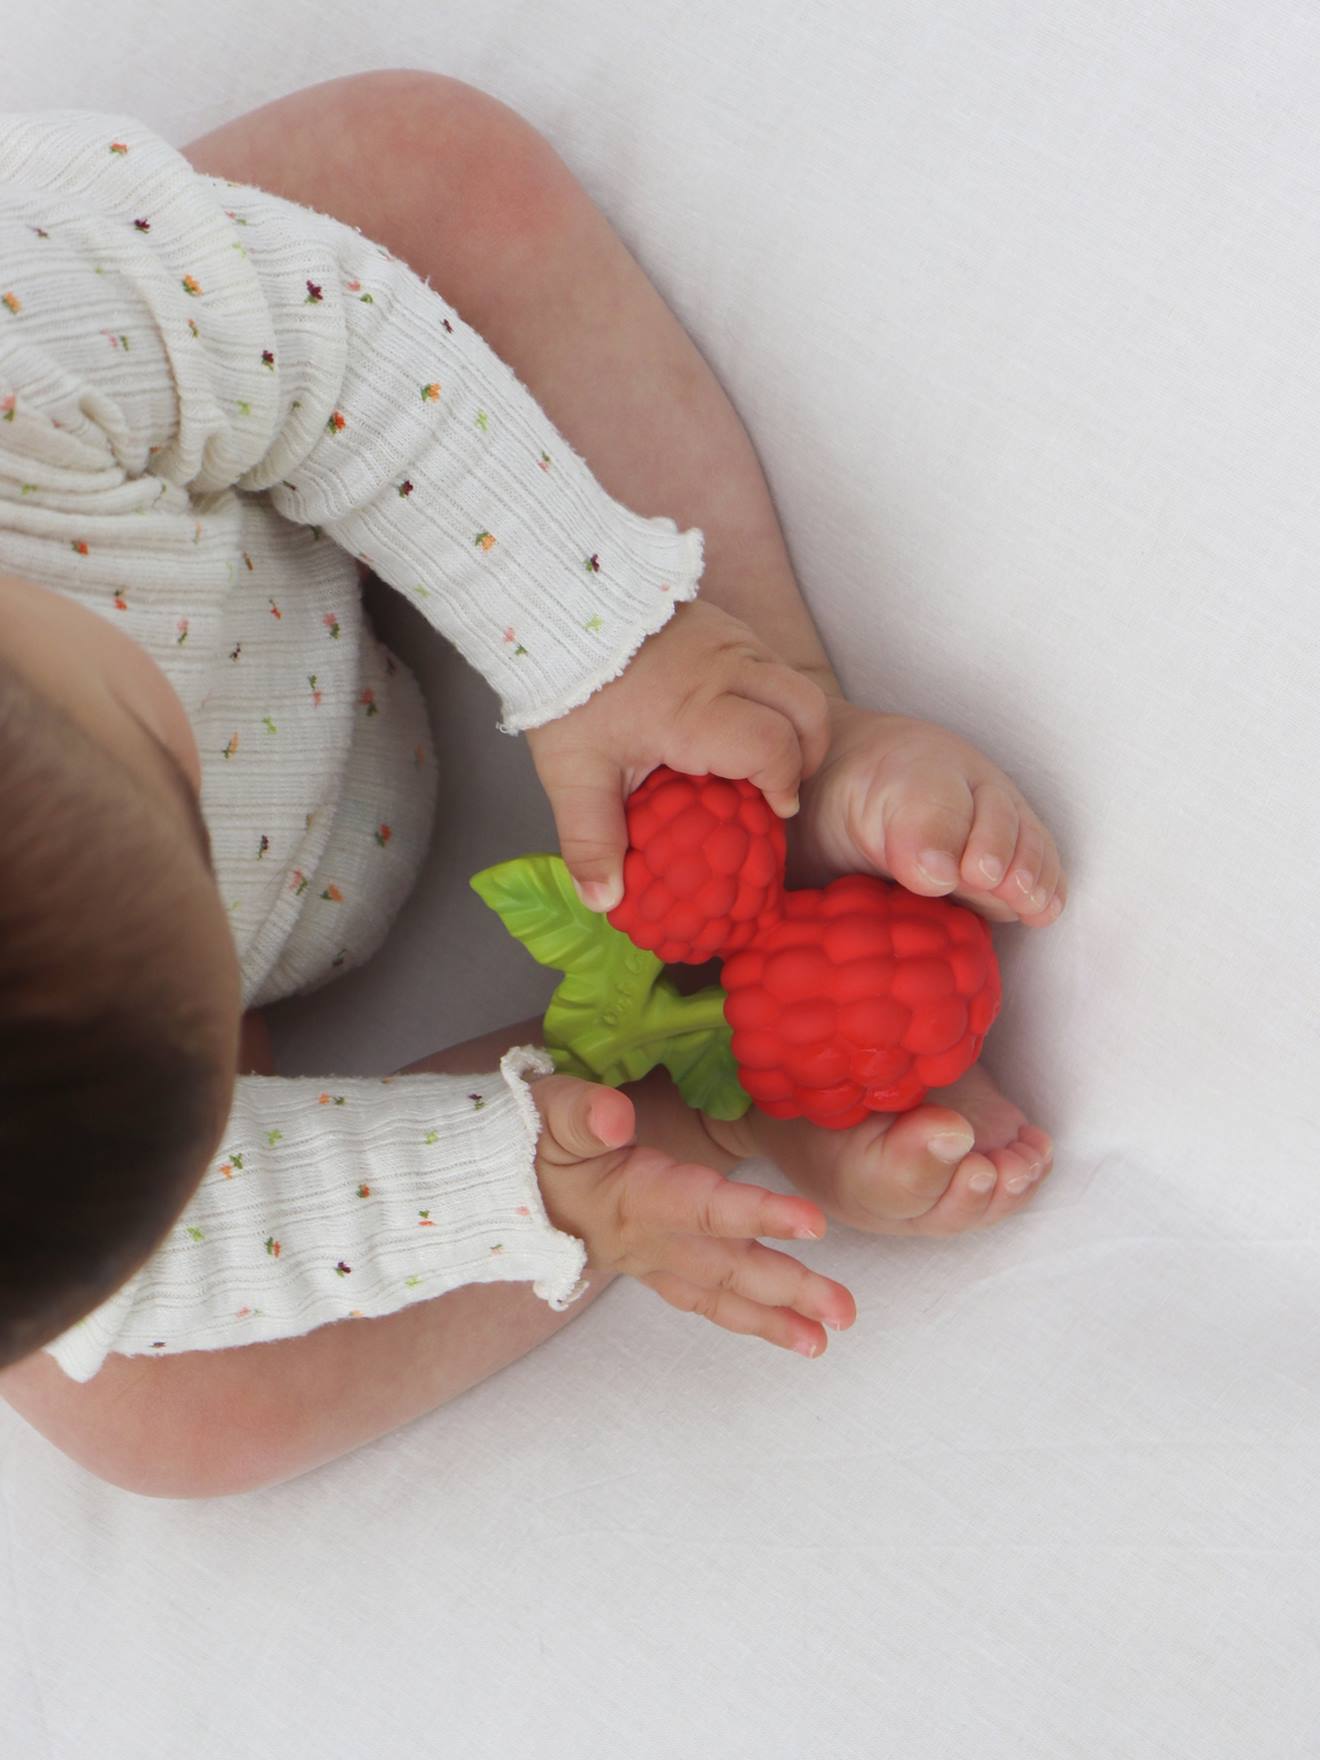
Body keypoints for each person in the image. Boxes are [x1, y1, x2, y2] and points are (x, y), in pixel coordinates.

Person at [0, 70, 1062, 1497]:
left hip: (236, 470)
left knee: (418, 172)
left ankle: (757, 717)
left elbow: (309, 340)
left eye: (159, 777)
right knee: (148, 1414)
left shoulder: (24, 336)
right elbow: (171, 1252)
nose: (194, 815)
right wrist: (506, 1186)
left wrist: (590, 637)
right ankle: (682, 1085)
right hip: (127, 1072)